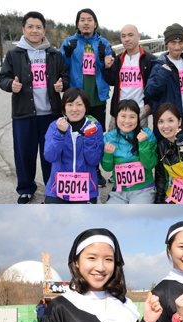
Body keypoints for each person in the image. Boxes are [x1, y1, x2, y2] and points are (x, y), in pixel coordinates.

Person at [0, 11, 68, 204]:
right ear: (23, 29)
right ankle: (26, 189)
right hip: (24, 113)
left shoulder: (54, 54)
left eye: (38, 27)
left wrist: (63, 85)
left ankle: (52, 187)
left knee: (51, 154)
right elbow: (2, 78)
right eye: (30, 26)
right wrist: (10, 84)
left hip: (51, 114)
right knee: (24, 153)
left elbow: (66, 76)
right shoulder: (14, 54)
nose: (34, 30)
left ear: (44, 30)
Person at [60, 9, 112, 188]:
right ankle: (74, 167)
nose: (86, 23)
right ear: (77, 24)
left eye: (90, 20)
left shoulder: (103, 42)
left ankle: (95, 169)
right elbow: (61, 67)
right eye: (82, 20)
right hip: (76, 97)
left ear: (95, 24)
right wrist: (67, 54)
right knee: (75, 133)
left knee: (95, 134)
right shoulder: (69, 41)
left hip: (97, 96)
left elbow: (107, 69)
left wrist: (104, 58)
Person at [43, 88, 103, 204]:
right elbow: (50, 157)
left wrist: (89, 138)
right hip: (58, 188)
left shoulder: (95, 127)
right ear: (64, 107)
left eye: (79, 104)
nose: (74, 109)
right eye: (70, 104)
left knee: (82, 220)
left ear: (86, 106)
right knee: (54, 220)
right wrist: (60, 133)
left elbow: (94, 161)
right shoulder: (55, 126)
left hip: (85, 188)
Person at [145, 23, 183, 145]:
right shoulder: (159, 65)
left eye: (181, 42)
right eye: (173, 42)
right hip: (165, 126)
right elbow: (150, 93)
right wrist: (163, 74)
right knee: (165, 161)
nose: (177, 47)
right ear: (166, 43)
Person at [102, 99, 157, 204]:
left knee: (136, 215)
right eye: (123, 116)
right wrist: (108, 155)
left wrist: (143, 145)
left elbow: (150, 165)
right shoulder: (109, 137)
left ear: (138, 118)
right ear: (117, 117)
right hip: (119, 192)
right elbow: (107, 168)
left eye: (132, 117)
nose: (127, 121)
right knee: (110, 217)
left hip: (143, 189)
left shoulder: (147, 134)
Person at [103, 24, 154, 131]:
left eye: (130, 35)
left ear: (139, 36)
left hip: (140, 109)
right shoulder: (119, 59)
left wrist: (150, 105)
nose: (127, 39)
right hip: (119, 108)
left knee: (139, 144)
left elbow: (155, 86)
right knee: (114, 143)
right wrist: (107, 68)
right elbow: (112, 81)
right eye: (123, 36)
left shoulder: (149, 59)